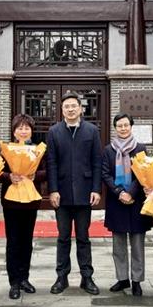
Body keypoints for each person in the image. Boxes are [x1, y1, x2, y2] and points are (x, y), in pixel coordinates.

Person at [46, 92, 103, 295]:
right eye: (66, 106)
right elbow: (51, 162)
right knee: (63, 237)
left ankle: (87, 277)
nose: (70, 109)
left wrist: (96, 189)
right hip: (61, 194)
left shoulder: (91, 131)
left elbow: (97, 162)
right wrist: (53, 190)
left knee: (83, 237)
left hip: (84, 192)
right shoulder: (54, 131)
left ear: (80, 108)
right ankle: (61, 277)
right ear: (62, 110)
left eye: (73, 106)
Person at [101, 113, 152, 296]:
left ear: (131, 126)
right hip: (116, 201)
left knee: (137, 243)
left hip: (136, 200)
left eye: (126, 125)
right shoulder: (108, 150)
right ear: (115, 128)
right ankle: (122, 279)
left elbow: (143, 173)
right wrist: (119, 192)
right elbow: (105, 174)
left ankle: (137, 280)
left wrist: (130, 192)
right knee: (118, 243)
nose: (123, 128)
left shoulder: (140, 148)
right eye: (119, 126)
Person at [0, 114, 47, 300]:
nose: (23, 131)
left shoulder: (38, 151)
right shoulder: (6, 150)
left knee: (27, 241)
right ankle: (14, 282)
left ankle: (24, 278)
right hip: (11, 202)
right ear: (14, 131)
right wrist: (9, 177)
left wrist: (36, 176)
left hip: (30, 201)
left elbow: (46, 171)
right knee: (13, 241)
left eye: (27, 128)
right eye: (20, 128)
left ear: (31, 131)